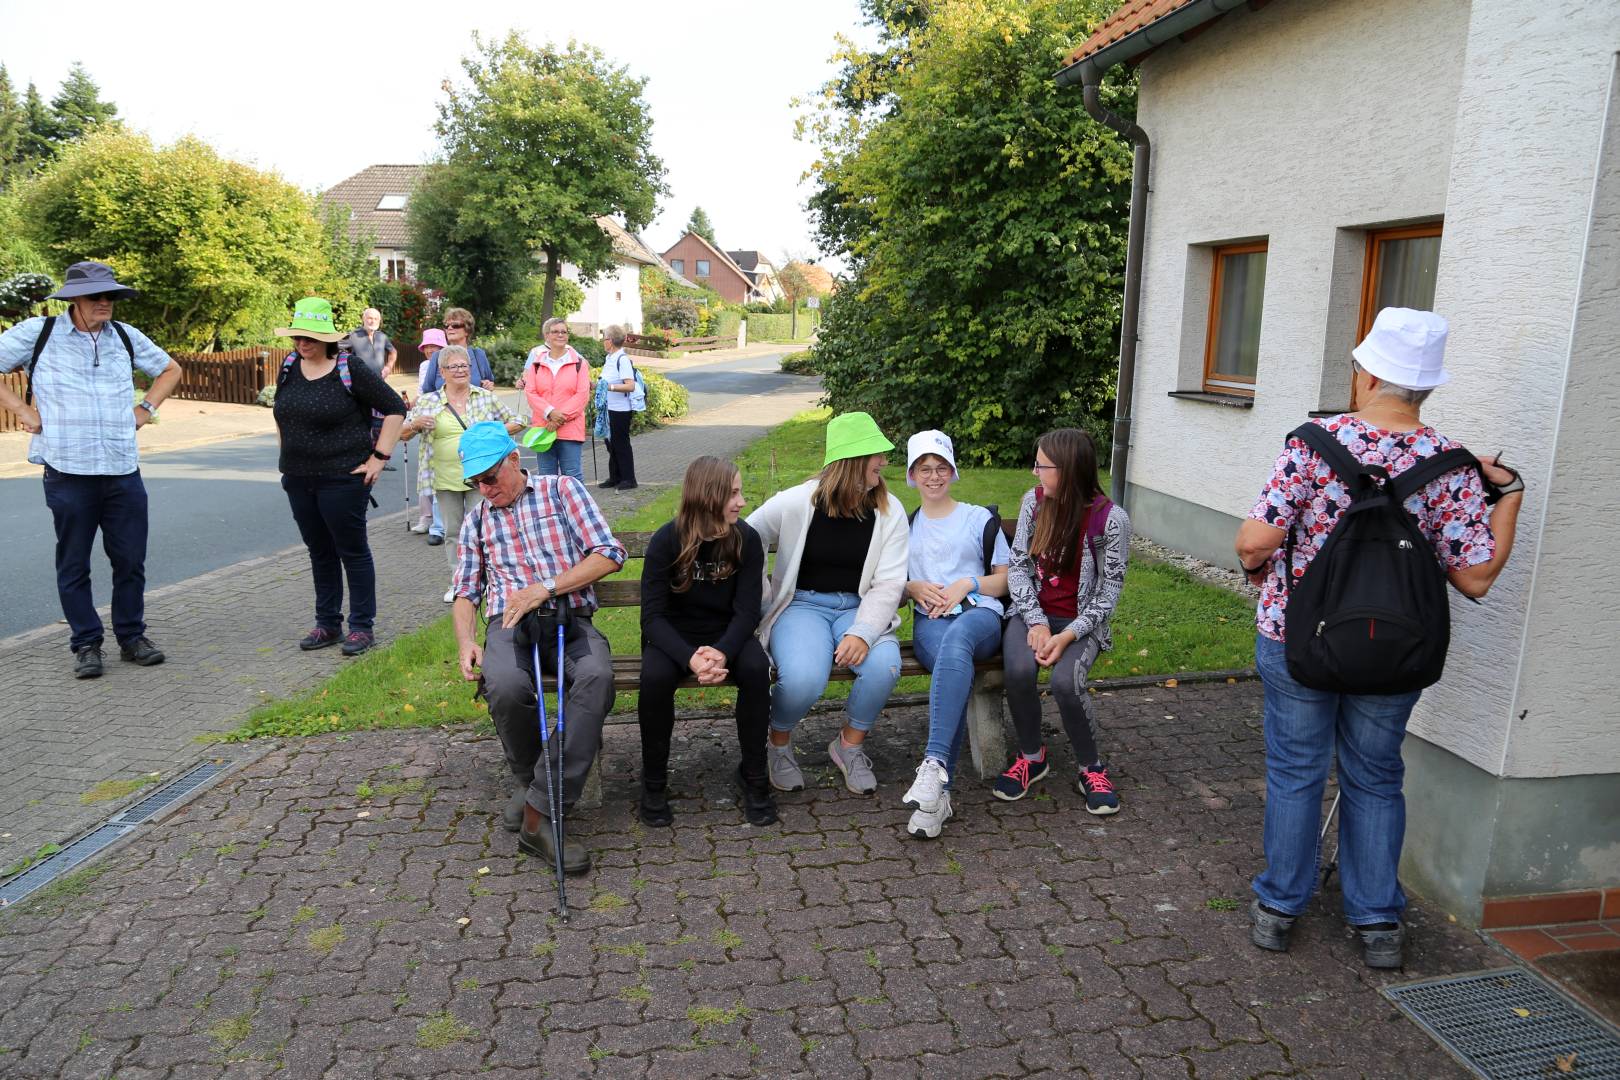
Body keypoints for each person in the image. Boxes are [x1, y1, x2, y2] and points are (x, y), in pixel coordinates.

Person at [1235, 308, 1523, 969]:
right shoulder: (1451, 465)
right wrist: (1509, 494)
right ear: (1424, 388)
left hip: (1298, 640)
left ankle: (1280, 909)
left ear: (1365, 374)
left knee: (1296, 773)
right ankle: (1377, 924)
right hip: (1397, 650)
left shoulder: (1313, 444)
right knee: (1375, 777)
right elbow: (1475, 577)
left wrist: (1257, 563)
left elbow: (1257, 540)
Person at [451, 422, 626, 874]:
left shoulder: (562, 491)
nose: (484, 489)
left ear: (514, 459)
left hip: (569, 617)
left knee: (596, 677)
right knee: (505, 685)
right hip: (510, 626)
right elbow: (466, 591)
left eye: (490, 477)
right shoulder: (476, 521)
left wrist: (544, 588)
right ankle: (532, 783)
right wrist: (467, 640)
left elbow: (608, 553)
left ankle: (538, 807)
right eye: (475, 482)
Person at [0, 261, 183, 678]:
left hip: (121, 466)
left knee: (130, 559)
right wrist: (24, 412)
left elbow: (171, 370)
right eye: (95, 296)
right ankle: (86, 644)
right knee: (74, 562)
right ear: (73, 299)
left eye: (110, 295)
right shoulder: (39, 333)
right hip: (67, 467)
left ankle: (132, 638)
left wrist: (146, 408)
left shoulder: (124, 336)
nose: (105, 302)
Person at [746, 412, 908, 795]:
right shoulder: (797, 502)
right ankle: (778, 745)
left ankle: (848, 745)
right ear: (852, 458)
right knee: (803, 677)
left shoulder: (889, 512)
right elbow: (745, 536)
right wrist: (762, 594)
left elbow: (888, 583)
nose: (884, 462)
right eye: (876, 454)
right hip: (802, 606)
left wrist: (865, 633)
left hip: (858, 606)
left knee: (884, 666)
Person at [998, 428, 1131, 814]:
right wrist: (1037, 623)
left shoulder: (1110, 520)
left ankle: (1091, 768)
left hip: (1081, 621)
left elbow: (1108, 594)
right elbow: (1019, 567)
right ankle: (1032, 756)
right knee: (1019, 670)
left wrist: (1069, 633)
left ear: (1069, 469)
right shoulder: (1034, 503)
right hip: (1032, 612)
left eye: (1042, 465)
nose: (1034, 471)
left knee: (1066, 682)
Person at [639, 457, 774, 827]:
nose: (741, 501)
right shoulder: (667, 541)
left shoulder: (746, 539)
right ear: (708, 496)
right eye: (733, 493)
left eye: (740, 492)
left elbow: (748, 611)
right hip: (674, 636)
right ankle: (653, 783)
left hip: (727, 633)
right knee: (654, 678)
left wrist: (722, 650)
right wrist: (691, 658)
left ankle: (754, 775)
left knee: (755, 668)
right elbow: (652, 618)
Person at [271, 297, 406, 657]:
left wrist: (379, 458)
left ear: (327, 338)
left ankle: (362, 627)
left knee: (352, 551)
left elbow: (394, 408)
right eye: (298, 336)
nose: (302, 343)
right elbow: (282, 414)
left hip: (343, 478)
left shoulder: (350, 367)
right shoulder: (288, 366)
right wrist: (285, 458)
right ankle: (328, 623)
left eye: (310, 337)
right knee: (319, 551)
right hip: (299, 478)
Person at [897, 430, 1011, 840]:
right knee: (950, 649)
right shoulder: (906, 526)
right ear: (912, 474)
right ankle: (937, 795)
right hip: (931, 623)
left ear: (953, 470)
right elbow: (890, 583)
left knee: (958, 639)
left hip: (979, 617)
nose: (933, 476)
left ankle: (934, 767)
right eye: (924, 469)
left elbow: (1006, 582)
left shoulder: (978, 518)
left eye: (941, 467)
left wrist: (968, 583)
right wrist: (912, 588)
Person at [400, 345, 523, 602]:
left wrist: (491, 435)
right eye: (453, 367)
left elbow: (519, 420)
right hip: (444, 478)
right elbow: (401, 433)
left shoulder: (484, 397)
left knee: (484, 530)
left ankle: (492, 580)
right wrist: (415, 424)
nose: (460, 371)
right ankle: (460, 582)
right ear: (442, 372)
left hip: (484, 478)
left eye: (464, 366)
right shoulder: (428, 401)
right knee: (453, 532)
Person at [516, 317, 589, 484]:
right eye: (555, 331)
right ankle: (552, 511)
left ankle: (575, 510)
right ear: (547, 336)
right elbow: (531, 392)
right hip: (543, 429)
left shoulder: (579, 363)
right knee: (546, 479)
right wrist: (549, 413)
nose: (560, 335)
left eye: (564, 331)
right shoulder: (537, 363)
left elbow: (582, 395)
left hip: (570, 429)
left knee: (572, 477)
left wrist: (557, 419)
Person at [411, 328, 448, 540]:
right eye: (427, 346)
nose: (431, 350)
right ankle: (426, 517)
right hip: (427, 413)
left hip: (443, 414)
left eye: (435, 346)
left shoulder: (447, 363)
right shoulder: (424, 366)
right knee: (425, 470)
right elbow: (421, 390)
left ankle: (437, 521)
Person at [597, 325, 638, 491]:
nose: (603, 341)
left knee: (620, 443)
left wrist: (609, 387)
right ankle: (615, 477)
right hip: (609, 408)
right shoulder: (610, 358)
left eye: (605, 338)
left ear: (611, 341)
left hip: (620, 409)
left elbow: (630, 386)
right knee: (610, 443)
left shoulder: (622, 359)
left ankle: (629, 479)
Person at [418, 308, 495, 392]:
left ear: (467, 331)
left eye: (455, 325)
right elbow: (427, 390)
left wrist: (488, 386)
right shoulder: (437, 356)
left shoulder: (478, 354)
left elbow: (489, 382)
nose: (450, 328)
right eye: (447, 326)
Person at [346, 307, 398, 378]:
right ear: (363, 319)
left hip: (380, 382)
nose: (373, 321)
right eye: (370, 318)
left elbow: (393, 352)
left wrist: (388, 367)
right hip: (359, 384)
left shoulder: (382, 336)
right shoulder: (352, 336)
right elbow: (334, 351)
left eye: (376, 319)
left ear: (379, 321)